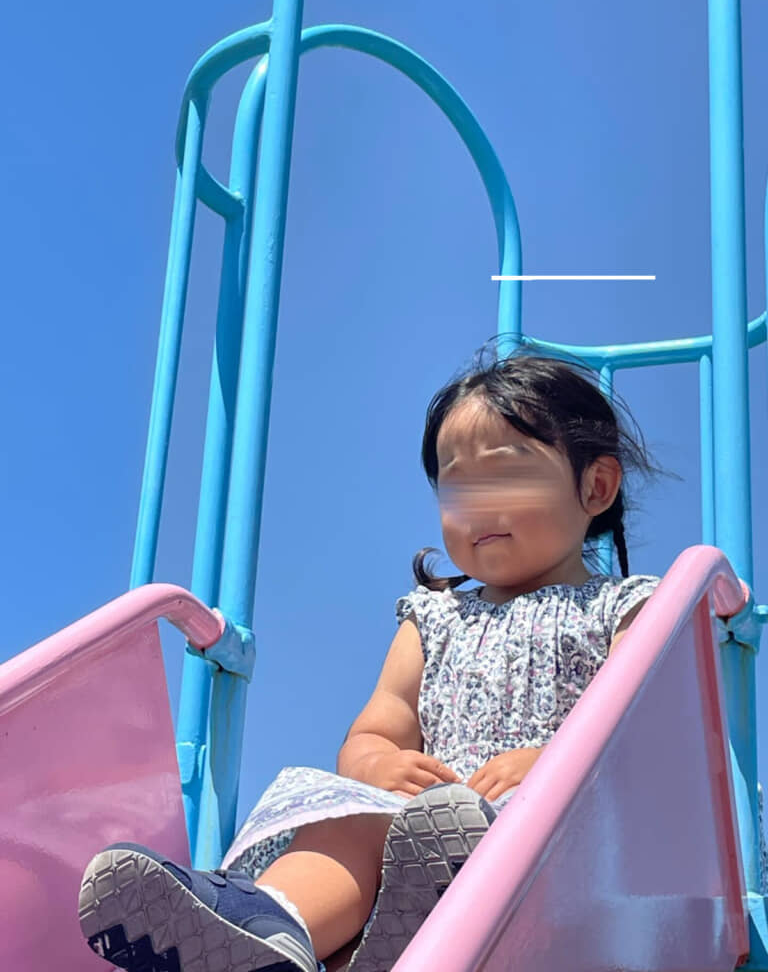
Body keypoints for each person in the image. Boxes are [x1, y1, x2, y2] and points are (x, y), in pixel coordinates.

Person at [78, 349, 664, 972]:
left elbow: (646, 726)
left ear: (595, 487)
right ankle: (275, 927)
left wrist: (555, 763)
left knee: (441, 821)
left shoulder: (626, 609)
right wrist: (378, 762)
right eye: (456, 486)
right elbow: (378, 726)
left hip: (556, 846)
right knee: (355, 810)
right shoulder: (435, 618)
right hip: (429, 833)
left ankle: (384, 925)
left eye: (504, 473)